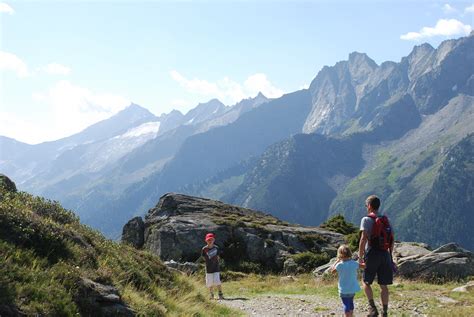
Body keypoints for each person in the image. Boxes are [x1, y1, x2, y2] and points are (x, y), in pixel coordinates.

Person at [358, 195, 394, 317]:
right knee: (383, 285)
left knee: (366, 282)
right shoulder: (385, 220)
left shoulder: (366, 220)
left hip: (372, 253)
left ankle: (372, 309)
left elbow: (363, 239)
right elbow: (392, 239)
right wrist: (390, 256)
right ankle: (385, 312)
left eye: (366, 205)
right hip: (385, 254)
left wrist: (360, 257)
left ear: (369, 206)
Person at [331, 245, 364, 317]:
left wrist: (336, 261)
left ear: (339, 255)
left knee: (346, 304)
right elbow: (363, 266)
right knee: (351, 302)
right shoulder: (354, 263)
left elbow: (332, 271)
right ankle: (351, 315)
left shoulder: (339, 265)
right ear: (349, 253)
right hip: (352, 288)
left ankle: (347, 315)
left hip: (343, 289)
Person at [201, 233, 224, 300]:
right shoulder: (204, 249)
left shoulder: (216, 248)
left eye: (211, 239)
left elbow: (218, 257)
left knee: (217, 281)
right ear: (206, 240)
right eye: (208, 240)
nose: (210, 241)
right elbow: (203, 257)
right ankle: (211, 295)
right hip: (208, 268)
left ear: (214, 240)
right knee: (209, 282)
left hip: (216, 268)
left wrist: (215, 262)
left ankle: (220, 294)